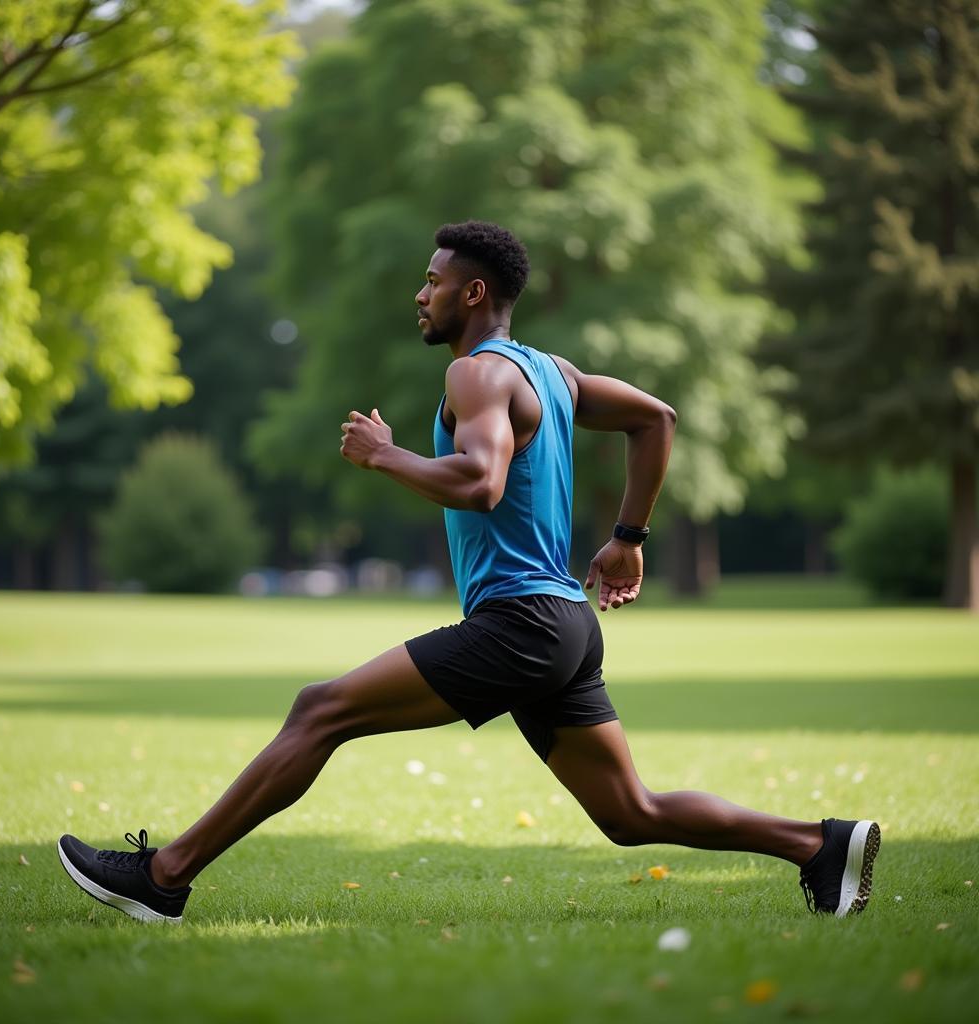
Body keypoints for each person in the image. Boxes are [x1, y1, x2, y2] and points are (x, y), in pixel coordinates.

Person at [58, 220, 880, 924]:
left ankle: (164, 877)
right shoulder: (551, 374)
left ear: (474, 293)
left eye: (432, 282)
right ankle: (818, 845)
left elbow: (482, 484)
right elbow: (654, 419)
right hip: (563, 625)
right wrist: (629, 534)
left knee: (320, 711)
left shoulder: (476, 372)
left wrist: (387, 457)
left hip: (522, 622)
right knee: (631, 814)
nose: (421, 295)